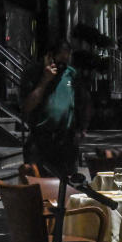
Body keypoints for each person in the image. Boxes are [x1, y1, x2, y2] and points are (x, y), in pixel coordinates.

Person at [21, 40, 87, 177]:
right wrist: (45, 80)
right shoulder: (33, 73)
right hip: (41, 139)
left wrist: (82, 128)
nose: (62, 64)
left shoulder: (71, 74)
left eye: (66, 58)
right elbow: (27, 106)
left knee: (67, 185)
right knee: (40, 184)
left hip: (66, 139)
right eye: (60, 58)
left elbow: (83, 103)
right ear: (49, 56)